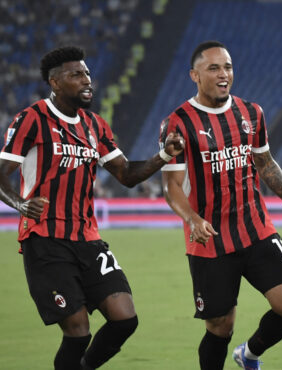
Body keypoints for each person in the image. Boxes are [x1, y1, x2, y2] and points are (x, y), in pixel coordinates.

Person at [0, 46, 184, 370]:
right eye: (76, 75)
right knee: (78, 332)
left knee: (125, 318)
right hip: (46, 240)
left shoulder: (95, 125)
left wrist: (164, 155)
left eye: (87, 73)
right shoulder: (32, 119)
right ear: (55, 82)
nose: (87, 80)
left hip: (88, 239)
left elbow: (126, 174)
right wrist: (20, 203)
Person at [159, 40, 282, 370]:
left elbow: (266, 164)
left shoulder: (251, 113)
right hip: (210, 239)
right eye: (213, 68)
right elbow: (171, 187)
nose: (223, 74)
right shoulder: (178, 123)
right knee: (220, 325)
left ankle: (249, 354)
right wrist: (192, 219)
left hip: (255, 228)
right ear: (194, 75)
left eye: (228, 67)